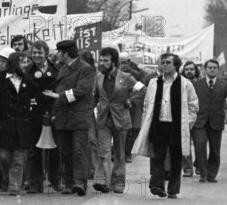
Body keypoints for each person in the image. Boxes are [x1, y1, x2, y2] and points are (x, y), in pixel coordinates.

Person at [132, 53, 198, 199]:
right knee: (157, 156)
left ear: (176, 65)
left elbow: (193, 106)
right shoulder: (154, 82)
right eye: (162, 62)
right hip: (158, 125)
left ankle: (173, 189)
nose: (164, 65)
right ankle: (157, 185)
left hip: (176, 126)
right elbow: (147, 104)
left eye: (168, 62)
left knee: (175, 158)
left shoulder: (185, 84)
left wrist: (188, 123)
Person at [42, 40, 95, 196]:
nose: (56, 54)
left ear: (65, 53)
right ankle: (69, 183)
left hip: (79, 118)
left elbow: (81, 90)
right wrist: (53, 114)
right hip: (63, 117)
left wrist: (60, 96)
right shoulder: (63, 68)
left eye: (58, 52)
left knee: (79, 151)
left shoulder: (86, 69)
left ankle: (80, 183)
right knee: (65, 152)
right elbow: (57, 92)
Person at [92, 47, 145, 194]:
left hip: (121, 119)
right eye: (100, 60)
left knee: (120, 154)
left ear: (113, 62)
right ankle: (103, 181)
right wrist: (91, 109)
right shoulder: (98, 77)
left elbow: (143, 90)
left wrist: (130, 101)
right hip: (103, 120)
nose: (102, 63)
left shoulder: (126, 77)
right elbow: (95, 96)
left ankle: (118, 183)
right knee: (104, 151)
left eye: (105, 61)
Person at [0, 50, 35, 196]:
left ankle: (14, 186)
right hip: (3, 126)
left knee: (18, 158)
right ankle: (7, 179)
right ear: (14, 64)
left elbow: (34, 101)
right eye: (22, 62)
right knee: (4, 156)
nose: (26, 65)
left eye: (27, 62)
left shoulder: (28, 80)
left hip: (21, 127)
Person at [24, 40, 62, 193]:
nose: (36, 55)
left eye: (39, 52)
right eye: (34, 53)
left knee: (55, 150)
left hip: (53, 114)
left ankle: (56, 180)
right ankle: (35, 183)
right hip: (34, 115)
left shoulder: (57, 69)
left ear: (46, 53)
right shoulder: (27, 70)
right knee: (34, 150)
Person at [191, 59, 227, 183]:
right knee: (200, 146)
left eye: (214, 68)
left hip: (216, 120)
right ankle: (203, 173)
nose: (212, 70)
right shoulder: (197, 84)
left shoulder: (223, 84)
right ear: (205, 69)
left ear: (218, 69)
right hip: (199, 121)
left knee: (215, 149)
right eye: (210, 67)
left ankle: (212, 174)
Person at [181, 60, 201, 176]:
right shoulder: (181, 83)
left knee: (199, 145)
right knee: (185, 144)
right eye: (187, 69)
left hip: (199, 120)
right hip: (184, 119)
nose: (189, 71)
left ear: (195, 70)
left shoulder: (201, 83)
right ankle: (187, 169)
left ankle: (199, 165)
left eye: (191, 69)